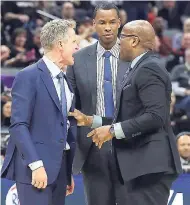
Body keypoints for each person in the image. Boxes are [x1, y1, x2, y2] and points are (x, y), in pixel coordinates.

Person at [70, 20, 182, 205]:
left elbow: (155, 116)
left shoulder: (149, 68)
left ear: (134, 41)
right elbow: (129, 117)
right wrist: (92, 121)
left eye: (121, 37)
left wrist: (112, 131)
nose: (117, 41)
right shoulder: (138, 68)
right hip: (138, 167)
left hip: (148, 167)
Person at [1, 19, 78, 205]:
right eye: (73, 42)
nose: (77, 47)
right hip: (34, 169)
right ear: (60, 44)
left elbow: (64, 127)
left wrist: (67, 172)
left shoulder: (66, 80)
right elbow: (19, 125)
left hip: (59, 171)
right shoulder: (28, 76)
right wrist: (36, 165)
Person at [67, 2, 129, 205]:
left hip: (131, 146)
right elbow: (70, 107)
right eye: (102, 22)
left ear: (119, 23)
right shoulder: (77, 59)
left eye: (112, 22)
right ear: (94, 24)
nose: (108, 27)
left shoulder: (136, 58)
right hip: (93, 148)